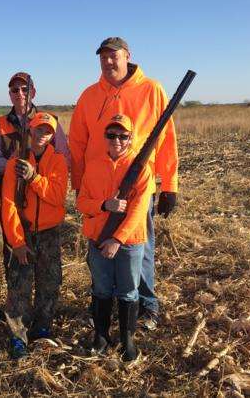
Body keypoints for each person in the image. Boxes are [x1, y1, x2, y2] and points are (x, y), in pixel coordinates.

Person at [69, 38, 178, 329]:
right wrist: (79, 183)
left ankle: (146, 307)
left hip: (137, 185)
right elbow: (77, 143)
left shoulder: (151, 90)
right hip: (98, 186)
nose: (108, 62)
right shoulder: (90, 95)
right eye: (103, 57)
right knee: (100, 246)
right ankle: (106, 304)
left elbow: (166, 139)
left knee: (137, 246)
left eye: (113, 56)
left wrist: (170, 184)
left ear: (127, 56)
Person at [77, 114, 153, 361]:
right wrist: (104, 205)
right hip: (98, 239)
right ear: (105, 137)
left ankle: (127, 339)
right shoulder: (94, 164)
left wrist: (118, 239)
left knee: (128, 291)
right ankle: (101, 335)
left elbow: (139, 210)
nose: (117, 140)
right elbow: (82, 202)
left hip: (129, 243)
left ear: (131, 138)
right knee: (101, 289)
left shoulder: (141, 170)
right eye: (111, 135)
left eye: (123, 136)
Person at [1, 112, 68, 359]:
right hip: (24, 234)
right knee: (19, 286)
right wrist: (16, 242)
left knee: (49, 283)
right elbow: (7, 204)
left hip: (50, 234)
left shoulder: (59, 161)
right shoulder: (13, 163)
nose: (42, 135)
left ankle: (42, 329)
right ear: (30, 132)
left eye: (47, 131)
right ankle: (18, 337)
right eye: (39, 130)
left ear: (52, 136)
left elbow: (58, 197)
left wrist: (33, 178)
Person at [0, 72, 70, 181]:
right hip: (11, 191)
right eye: (15, 90)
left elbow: (64, 157)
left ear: (33, 93)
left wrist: (36, 171)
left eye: (25, 89)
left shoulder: (51, 121)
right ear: (10, 95)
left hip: (43, 189)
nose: (20, 93)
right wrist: (18, 167)